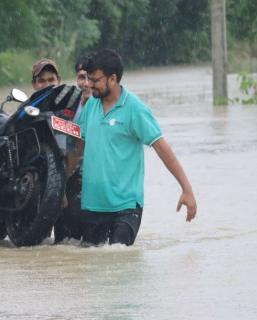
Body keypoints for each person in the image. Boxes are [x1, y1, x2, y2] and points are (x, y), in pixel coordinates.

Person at [66, 48, 197, 247]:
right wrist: (60, 186)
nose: (89, 85)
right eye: (88, 79)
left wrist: (186, 189)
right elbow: (77, 147)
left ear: (112, 79)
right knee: (91, 266)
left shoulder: (135, 109)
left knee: (120, 263)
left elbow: (162, 148)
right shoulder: (92, 104)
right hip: (92, 205)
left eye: (95, 80)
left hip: (125, 207)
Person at [54, 53, 93, 243]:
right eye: (81, 77)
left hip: (91, 179)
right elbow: (63, 141)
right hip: (69, 176)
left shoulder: (103, 105)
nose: (85, 83)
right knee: (65, 241)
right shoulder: (70, 102)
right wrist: (60, 185)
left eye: (90, 77)